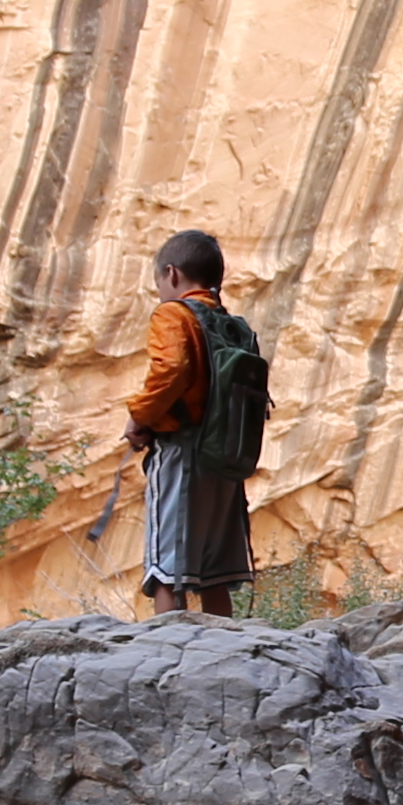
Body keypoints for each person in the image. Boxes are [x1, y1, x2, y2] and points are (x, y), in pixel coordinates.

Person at [122, 228, 262, 615]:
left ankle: (168, 653)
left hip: (183, 452)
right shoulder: (232, 326)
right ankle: (227, 651)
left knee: (167, 569)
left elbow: (172, 369)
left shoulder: (174, 314)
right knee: (217, 573)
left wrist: (139, 416)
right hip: (225, 456)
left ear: (172, 274)